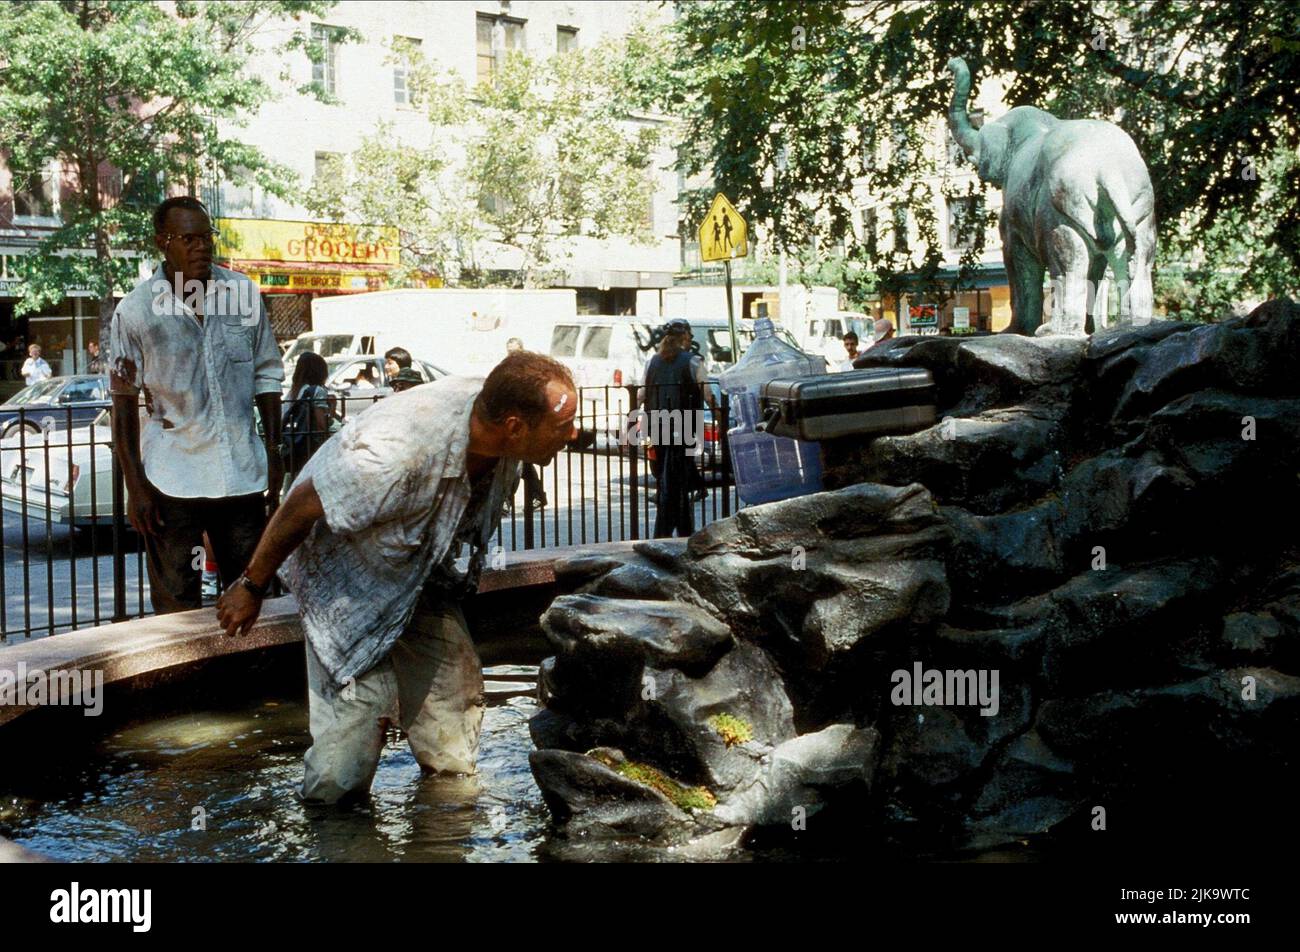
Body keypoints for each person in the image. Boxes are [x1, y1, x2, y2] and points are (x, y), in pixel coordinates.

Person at [215, 352, 579, 804]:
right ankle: (335, 830)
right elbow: (301, 504)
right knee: (344, 763)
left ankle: (444, 824)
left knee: (454, 717)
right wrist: (251, 586)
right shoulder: (394, 454)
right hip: (347, 586)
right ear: (515, 427)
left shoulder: (496, 416)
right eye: (564, 425)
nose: (574, 434)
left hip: (419, 571)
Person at [109, 195, 284, 614]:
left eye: (207, 237)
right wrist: (135, 487)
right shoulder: (136, 311)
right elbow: (123, 402)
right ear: (162, 243)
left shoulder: (242, 294)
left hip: (240, 478)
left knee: (254, 593)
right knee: (179, 602)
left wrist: (274, 449)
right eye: (189, 239)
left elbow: (267, 373)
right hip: (173, 485)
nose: (201, 247)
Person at [639, 321, 701, 538]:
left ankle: (683, 532)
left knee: (670, 480)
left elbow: (641, 394)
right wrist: (720, 418)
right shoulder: (693, 361)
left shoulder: (652, 362)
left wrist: (633, 421)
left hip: (656, 426)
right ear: (685, 338)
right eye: (690, 337)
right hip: (684, 427)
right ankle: (664, 533)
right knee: (676, 482)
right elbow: (707, 393)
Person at [505, 337, 546, 512]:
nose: (512, 354)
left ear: (521, 350)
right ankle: (536, 496)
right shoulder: (507, 369)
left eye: (515, 351)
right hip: (513, 418)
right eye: (509, 351)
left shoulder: (527, 369)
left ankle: (507, 500)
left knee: (517, 462)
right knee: (520, 462)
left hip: (525, 420)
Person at [281, 352, 335, 480]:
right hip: (310, 448)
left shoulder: (294, 391)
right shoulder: (316, 391)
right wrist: (332, 406)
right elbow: (322, 426)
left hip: (293, 445)